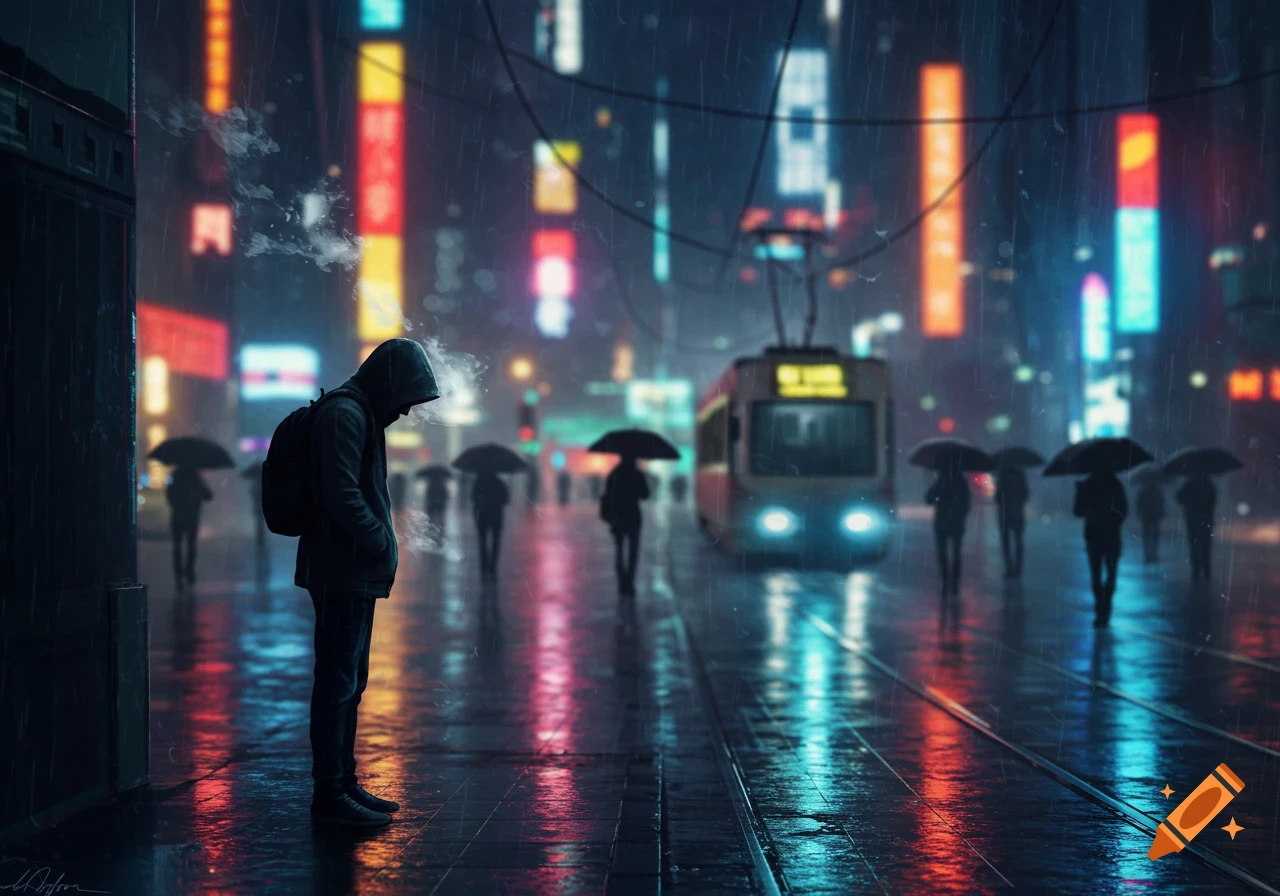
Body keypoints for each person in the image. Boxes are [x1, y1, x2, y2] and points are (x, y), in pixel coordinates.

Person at [295, 337, 439, 827]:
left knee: (350, 680)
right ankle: (330, 794)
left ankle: (344, 783)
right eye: (404, 400)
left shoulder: (359, 413)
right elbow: (341, 492)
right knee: (337, 682)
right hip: (341, 568)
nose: (402, 412)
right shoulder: (346, 414)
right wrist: (378, 538)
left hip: (350, 568)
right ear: (389, 383)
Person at [1073, 472, 1128, 628]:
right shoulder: (1115, 483)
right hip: (1110, 536)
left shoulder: (1088, 484)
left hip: (1095, 536)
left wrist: (1080, 493)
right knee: (1110, 575)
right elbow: (1123, 511)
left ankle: (1100, 610)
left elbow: (1077, 511)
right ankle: (1105, 608)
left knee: (1097, 575)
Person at [601, 455, 650, 596]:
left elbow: (608, 495)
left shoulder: (614, 474)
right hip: (633, 517)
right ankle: (630, 582)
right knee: (633, 552)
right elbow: (645, 495)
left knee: (619, 550)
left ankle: (622, 583)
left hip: (618, 517)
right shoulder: (637, 474)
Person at [926, 464, 970, 597]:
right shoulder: (961, 482)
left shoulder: (941, 481)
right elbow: (967, 505)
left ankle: (946, 583)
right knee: (956, 554)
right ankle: (954, 585)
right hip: (956, 523)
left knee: (943, 554)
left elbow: (929, 499)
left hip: (942, 523)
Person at [167, 465, 213, 588]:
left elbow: (169, 494)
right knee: (191, 545)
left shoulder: (175, 476)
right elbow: (208, 495)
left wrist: (177, 507)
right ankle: (189, 571)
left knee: (177, 547)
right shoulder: (196, 478)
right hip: (192, 517)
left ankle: (179, 575)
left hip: (178, 517)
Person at [1176, 473, 1217, 581]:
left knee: (1194, 546)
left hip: (1193, 520)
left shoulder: (1190, 485)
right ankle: (1206, 571)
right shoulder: (1209, 485)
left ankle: (1196, 571)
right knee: (1205, 546)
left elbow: (1179, 498)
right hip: (1205, 520)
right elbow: (1213, 502)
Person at [472, 472, 510, 578]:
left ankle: (484, 567)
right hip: (496, 516)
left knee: (482, 542)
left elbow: (473, 499)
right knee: (495, 542)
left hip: (482, 517)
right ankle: (492, 567)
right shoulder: (499, 483)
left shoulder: (478, 483)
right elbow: (506, 500)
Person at [994, 467, 1029, 579]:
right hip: (1017, 514)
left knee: (1006, 543)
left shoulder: (1002, 477)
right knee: (1018, 542)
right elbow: (1025, 496)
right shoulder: (1020, 476)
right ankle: (1018, 569)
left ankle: (1009, 568)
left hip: (1005, 515)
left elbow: (997, 498)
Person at [1136, 479, 1166, 564]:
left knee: (1146, 534)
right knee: (1154, 535)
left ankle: (1147, 554)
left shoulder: (1143, 492)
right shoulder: (1158, 492)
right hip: (1154, 515)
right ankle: (1154, 553)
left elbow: (1139, 504)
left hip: (1146, 515)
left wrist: (1139, 512)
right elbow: (1161, 503)